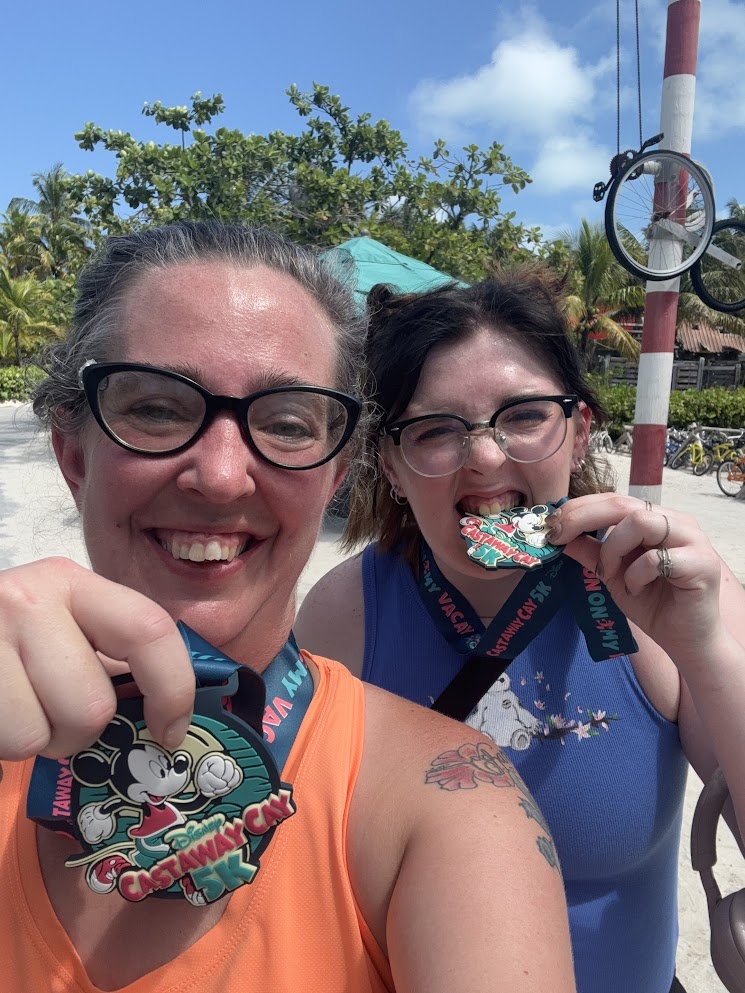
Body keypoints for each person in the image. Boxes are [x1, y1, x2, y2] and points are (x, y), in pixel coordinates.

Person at [0, 223, 575, 993]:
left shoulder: (444, 804)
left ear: (336, 475)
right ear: (74, 455)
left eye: (286, 423)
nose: (222, 475)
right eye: (159, 410)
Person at [295, 268, 745, 993]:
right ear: (391, 467)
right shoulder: (343, 612)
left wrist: (703, 649)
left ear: (577, 433)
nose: (483, 456)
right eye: (435, 429)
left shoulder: (677, 590)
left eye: (524, 415)